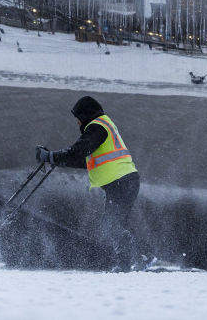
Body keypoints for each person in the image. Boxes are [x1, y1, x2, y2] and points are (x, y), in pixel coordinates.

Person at [36, 96, 139, 271]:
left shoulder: (97, 127)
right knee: (114, 225)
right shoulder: (101, 127)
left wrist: (51, 156)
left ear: (85, 115)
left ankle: (131, 262)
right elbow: (83, 160)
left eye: (78, 118)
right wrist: (55, 159)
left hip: (122, 183)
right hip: (123, 182)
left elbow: (77, 152)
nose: (77, 122)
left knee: (111, 226)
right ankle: (130, 261)